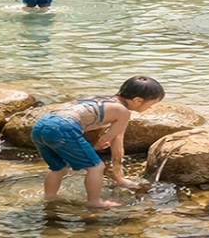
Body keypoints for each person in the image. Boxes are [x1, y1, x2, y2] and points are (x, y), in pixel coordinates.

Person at [31, 76, 164, 207]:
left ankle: (50, 198)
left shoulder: (98, 100)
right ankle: (94, 202)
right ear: (138, 100)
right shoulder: (122, 112)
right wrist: (118, 176)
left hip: (41, 124)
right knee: (96, 167)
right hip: (64, 127)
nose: (151, 108)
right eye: (152, 104)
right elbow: (114, 143)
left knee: (58, 167)